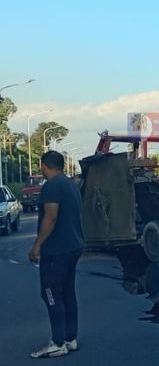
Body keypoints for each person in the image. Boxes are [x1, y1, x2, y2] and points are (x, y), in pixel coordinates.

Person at [28, 150, 84, 359]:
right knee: (67, 292)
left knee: (50, 293)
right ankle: (70, 338)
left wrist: (37, 246)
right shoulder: (71, 185)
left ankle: (58, 342)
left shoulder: (51, 186)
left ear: (44, 166)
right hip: (74, 246)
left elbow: (51, 217)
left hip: (56, 250)